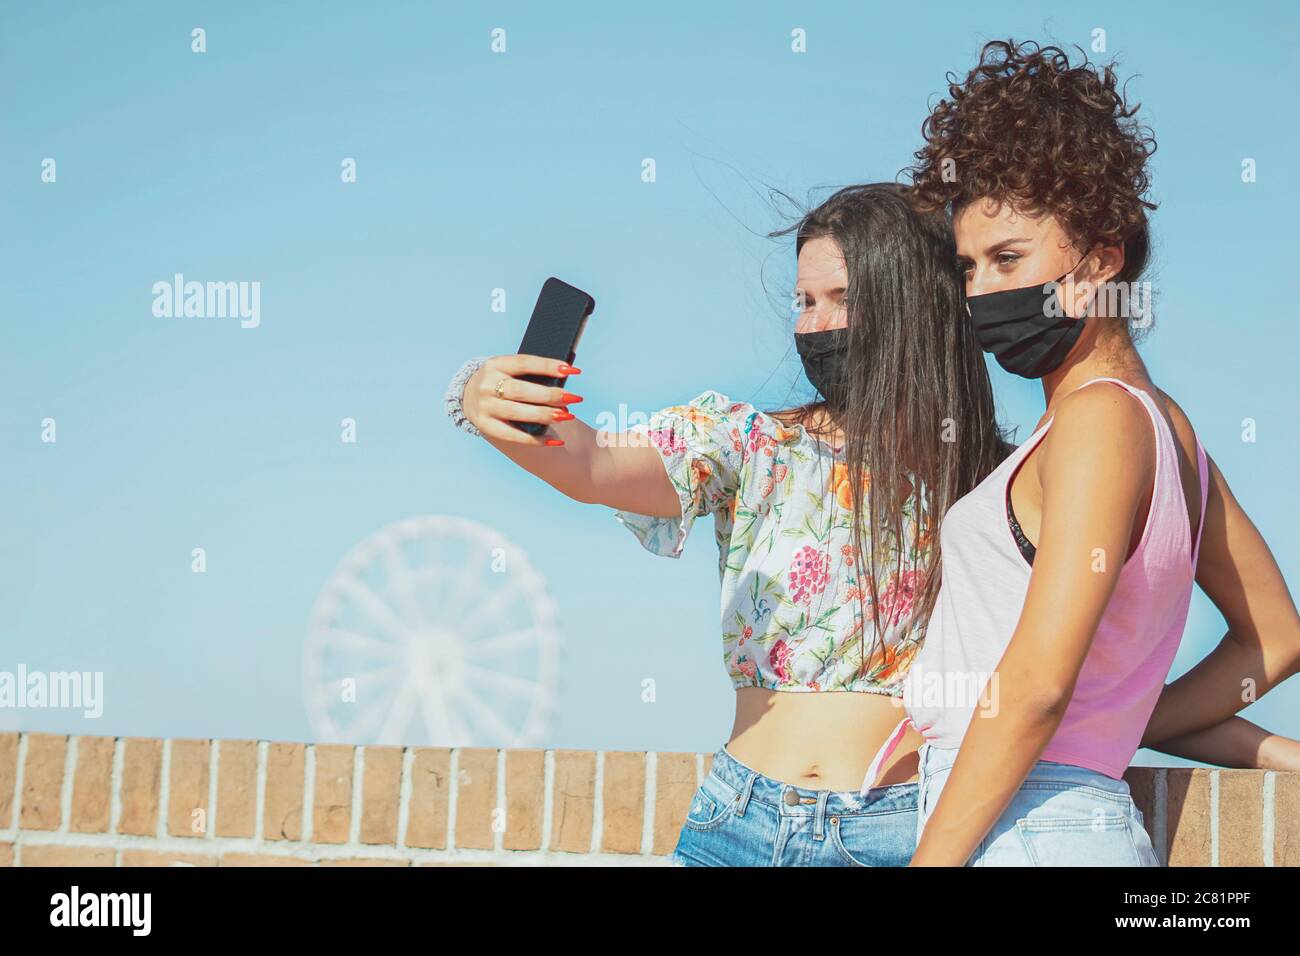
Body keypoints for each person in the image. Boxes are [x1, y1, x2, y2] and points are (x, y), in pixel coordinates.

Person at [444, 182, 1007, 865]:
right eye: (803, 302)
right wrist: (480, 392)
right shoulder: (749, 440)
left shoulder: (987, 479)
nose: (813, 325)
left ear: (913, 306)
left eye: (842, 301)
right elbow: (592, 464)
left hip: (901, 832)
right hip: (739, 823)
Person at [881, 39, 1300, 866]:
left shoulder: (1099, 422)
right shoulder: (1166, 428)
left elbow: (1035, 686)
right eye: (968, 267)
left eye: (1009, 259)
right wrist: (1119, 718)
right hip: (1054, 817)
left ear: (1102, 261)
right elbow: (1275, 637)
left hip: (1020, 825)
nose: (980, 293)